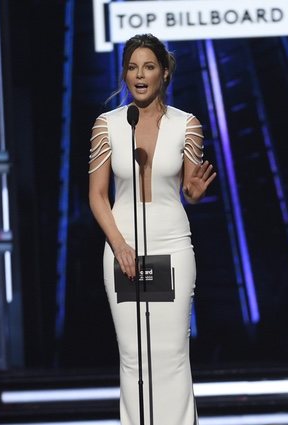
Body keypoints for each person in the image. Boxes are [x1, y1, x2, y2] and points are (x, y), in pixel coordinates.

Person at [88, 34, 216, 425]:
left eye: (148, 67)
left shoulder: (186, 124)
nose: (139, 76)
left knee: (172, 352)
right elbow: (97, 196)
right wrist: (120, 245)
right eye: (132, 67)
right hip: (122, 245)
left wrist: (193, 194)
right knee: (133, 355)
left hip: (172, 244)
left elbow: (191, 188)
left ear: (164, 72)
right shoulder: (107, 125)